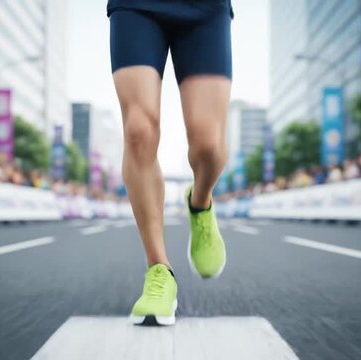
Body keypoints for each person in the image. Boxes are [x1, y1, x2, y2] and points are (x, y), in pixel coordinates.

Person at [108, 0, 233, 326]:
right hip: (135, 6)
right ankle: (159, 270)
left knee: (208, 143)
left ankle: (200, 202)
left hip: (204, 8)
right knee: (138, 130)